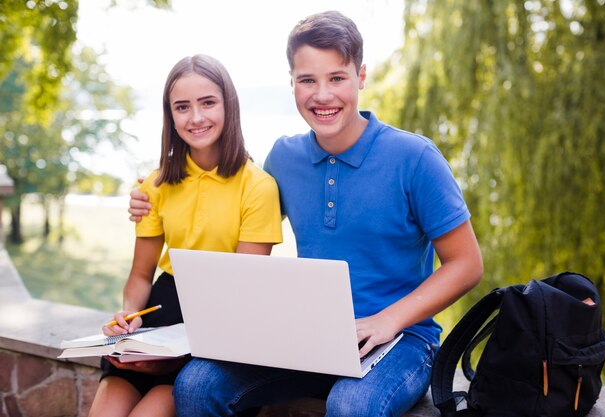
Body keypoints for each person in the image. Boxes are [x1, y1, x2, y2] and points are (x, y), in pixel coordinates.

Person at [129, 10, 483, 417]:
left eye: (337, 78)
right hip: (308, 336)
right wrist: (151, 193)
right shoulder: (284, 157)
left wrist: (387, 320)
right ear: (292, 83)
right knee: (196, 384)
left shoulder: (414, 157)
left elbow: (467, 264)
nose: (322, 95)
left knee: (351, 406)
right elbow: (232, 206)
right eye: (307, 80)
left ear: (361, 76)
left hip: (400, 341)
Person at [89, 54, 283, 417]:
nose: (196, 117)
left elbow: (241, 294)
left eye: (208, 102)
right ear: (170, 115)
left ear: (229, 105)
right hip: (157, 317)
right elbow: (141, 275)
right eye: (182, 107)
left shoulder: (258, 187)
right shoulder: (156, 183)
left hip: (214, 332)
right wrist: (128, 320)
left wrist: (166, 361)